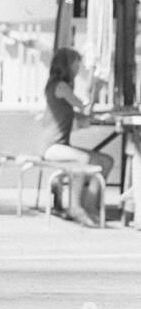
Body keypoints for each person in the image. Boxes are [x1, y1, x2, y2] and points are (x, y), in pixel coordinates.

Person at [40, 47, 112, 227]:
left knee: (106, 161)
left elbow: (81, 114)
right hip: (52, 147)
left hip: (59, 145)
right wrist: (95, 88)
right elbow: (84, 108)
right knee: (84, 159)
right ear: (66, 64)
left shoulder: (60, 85)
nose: (78, 67)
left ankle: (91, 206)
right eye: (76, 63)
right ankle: (75, 207)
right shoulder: (60, 86)